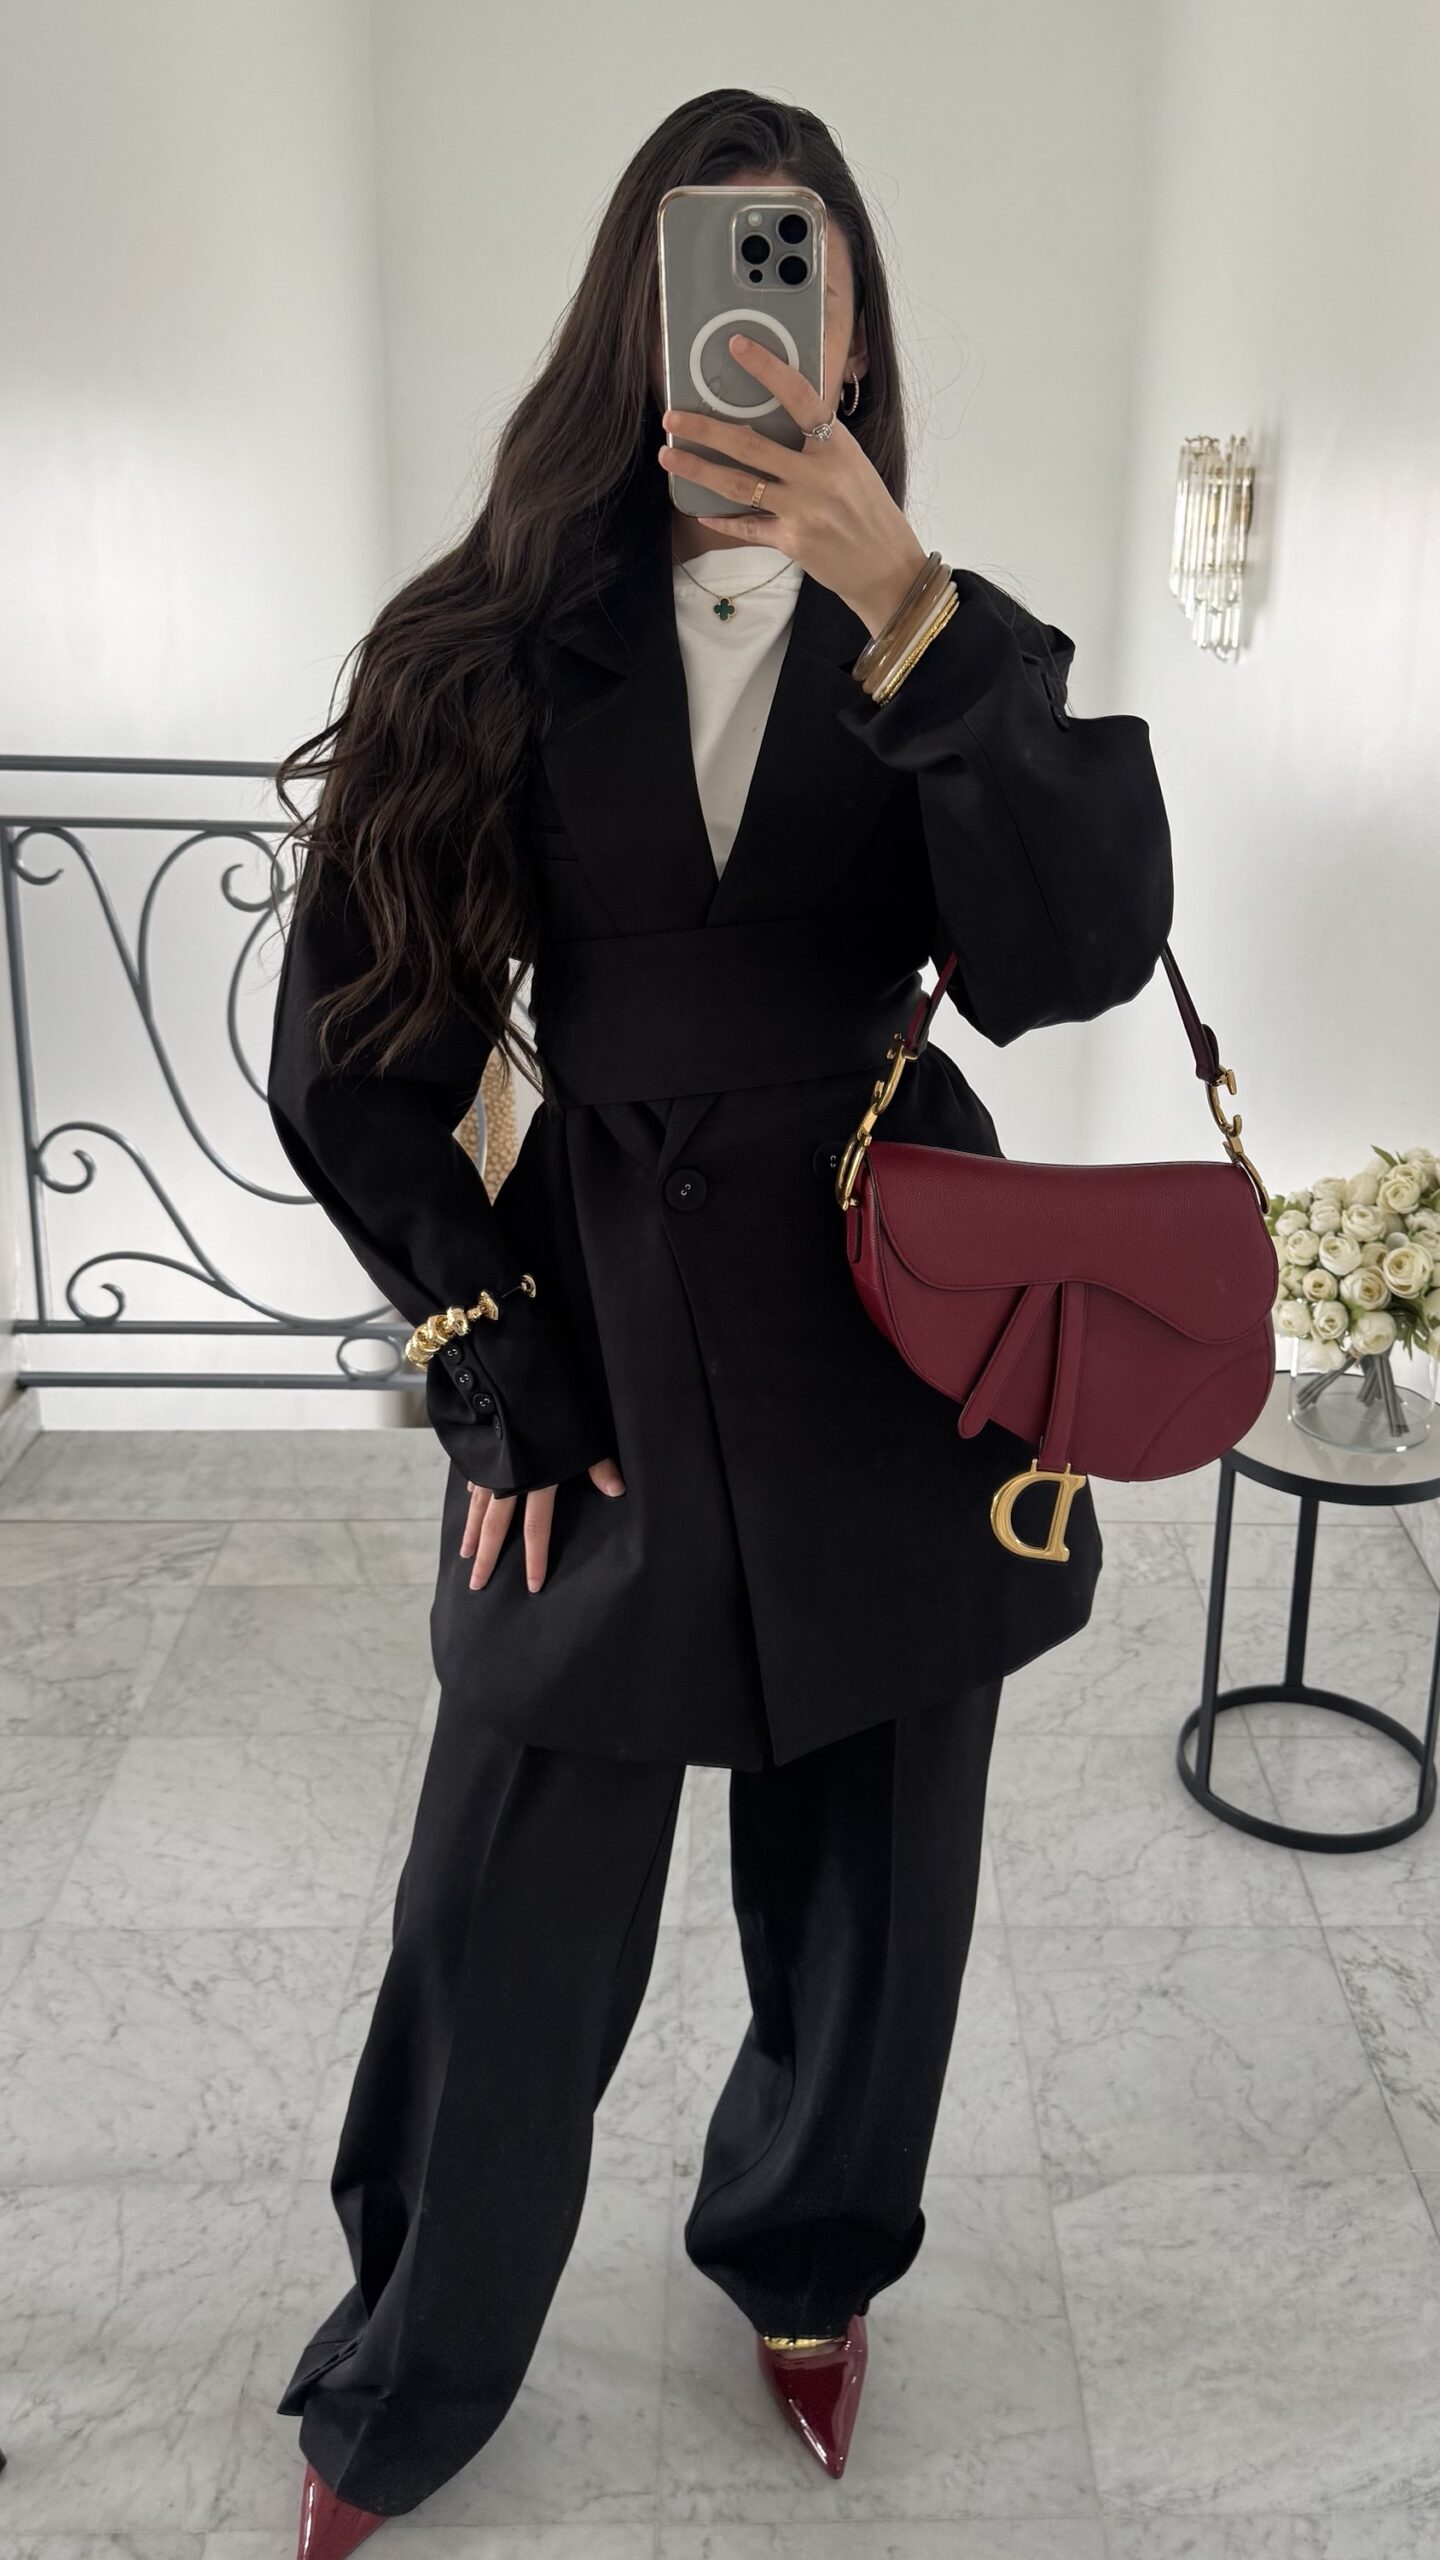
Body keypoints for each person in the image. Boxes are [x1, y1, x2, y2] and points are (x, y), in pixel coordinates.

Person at [264, 86, 1173, 2556]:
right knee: (505, 1903)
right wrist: (489, 1367)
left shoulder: (953, 645)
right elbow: (358, 1045)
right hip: (603, 1315)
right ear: (642, 315)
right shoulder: (480, 636)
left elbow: (1080, 955)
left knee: (880, 1874)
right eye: (724, 269)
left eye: (811, 272)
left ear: (856, 330)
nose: (771, 323)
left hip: (901, 1312)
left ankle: (805, 2256)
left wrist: (919, 613)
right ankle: (406, 2370)